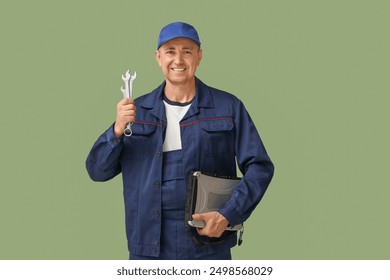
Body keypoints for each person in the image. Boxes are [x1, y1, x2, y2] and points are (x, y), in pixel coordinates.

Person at [86, 22, 274, 260]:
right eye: (170, 51)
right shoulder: (136, 113)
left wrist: (228, 214)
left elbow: (260, 166)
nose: (178, 60)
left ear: (199, 56)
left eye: (187, 51)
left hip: (208, 246)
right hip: (148, 250)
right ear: (158, 57)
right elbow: (97, 171)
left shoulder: (229, 107)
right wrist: (116, 130)